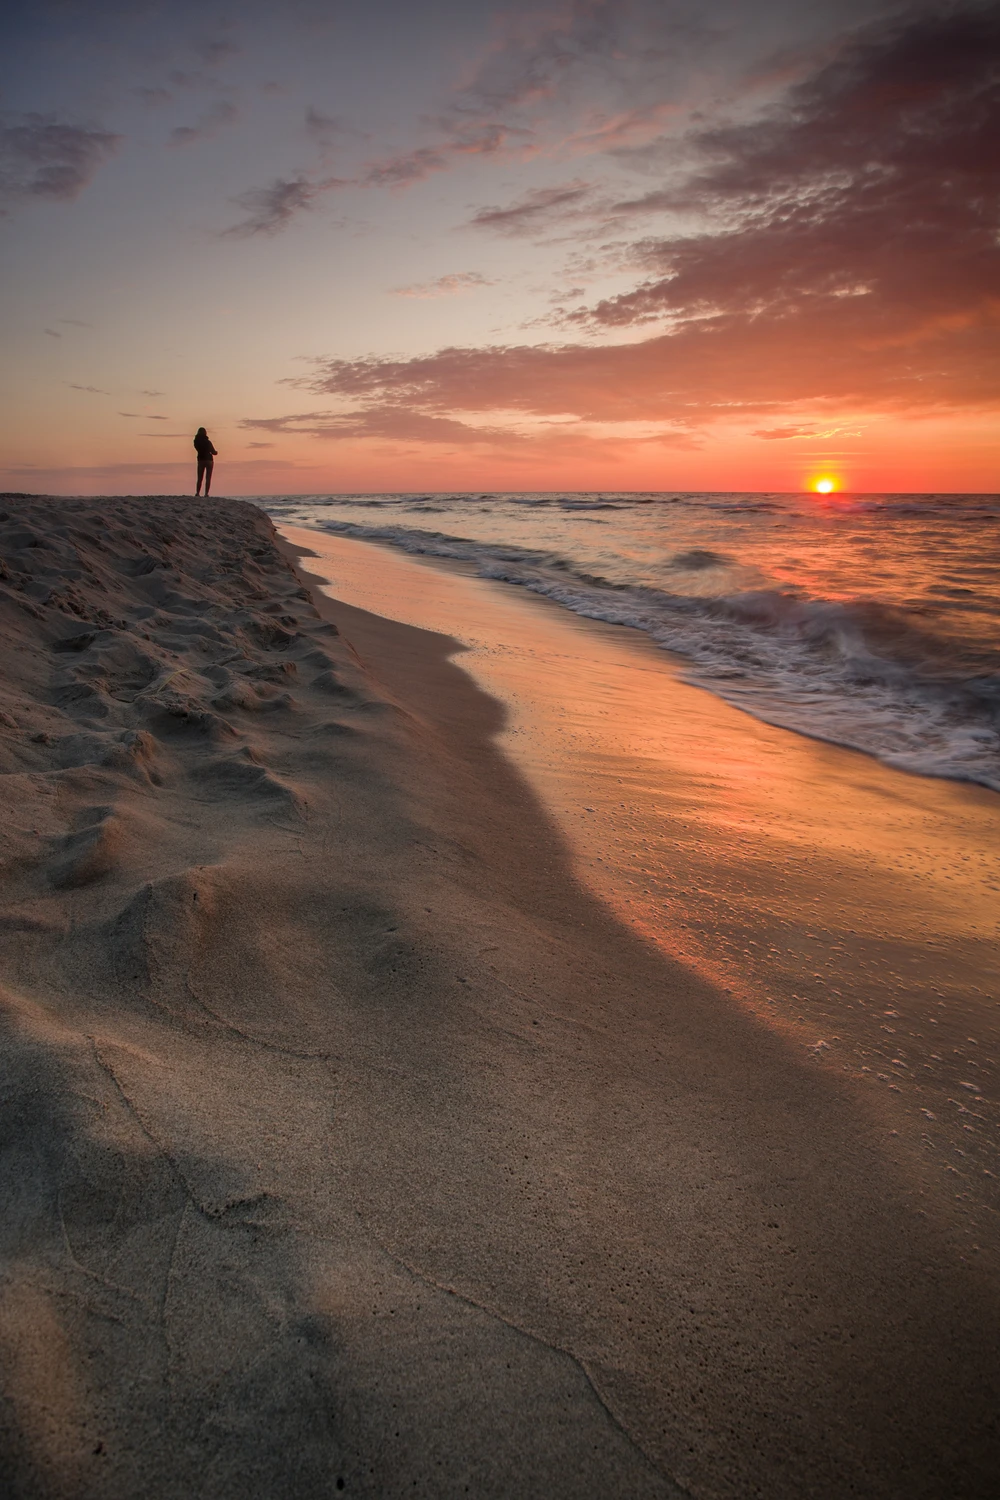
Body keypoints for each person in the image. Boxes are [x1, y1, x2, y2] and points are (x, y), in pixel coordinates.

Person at [193, 427, 218, 496]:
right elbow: (213, 452)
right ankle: (206, 493)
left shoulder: (196, 441)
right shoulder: (208, 442)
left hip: (201, 459)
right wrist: (216, 452)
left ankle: (197, 493)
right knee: (208, 478)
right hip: (209, 460)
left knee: (199, 477)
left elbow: (197, 448)